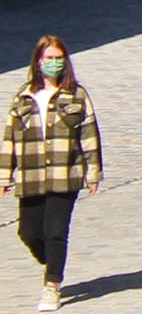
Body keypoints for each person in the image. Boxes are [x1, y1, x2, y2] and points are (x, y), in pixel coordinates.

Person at [1, 36, 100, 310]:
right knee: (29, 232)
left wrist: (93, 172)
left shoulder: (76, 95)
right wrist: (5, 173)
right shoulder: (23, 96)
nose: (54, 63)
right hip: (31, 174)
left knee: (56, 231)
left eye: (59, 58)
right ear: (38, 61)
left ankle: (52, 285)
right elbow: (9, 137)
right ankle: (53, 261)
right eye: (49, 58)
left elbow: (89, 133)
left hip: (64, 174)